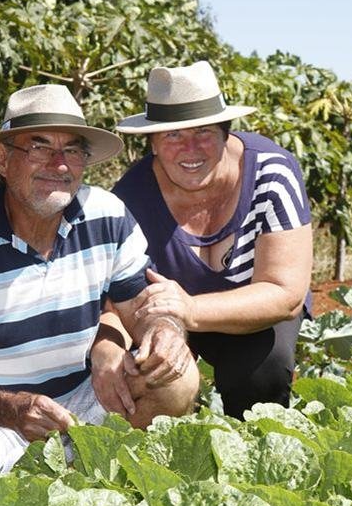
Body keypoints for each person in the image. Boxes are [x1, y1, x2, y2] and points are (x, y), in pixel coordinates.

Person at [0, 84, 199, 476]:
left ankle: (102, 473)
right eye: (40, 147)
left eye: (73, 150)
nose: (59, 164)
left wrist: (163, 330)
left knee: (177, 380)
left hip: (86, 398)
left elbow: (141, 310)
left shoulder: (107, 216)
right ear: (1, 158)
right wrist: (12, 409)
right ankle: (52, 477)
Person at [109, 61, 313, 420]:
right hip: (162, 317)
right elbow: (115, 302)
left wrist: (189, 309)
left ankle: (254, 456)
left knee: (260, 372)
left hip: (252, 313)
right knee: (144, 377)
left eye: (203, 131)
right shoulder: (129, 200)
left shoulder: (271, 173)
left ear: (225, 131)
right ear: (152, 143)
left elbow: (285, 295)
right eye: (173, 135)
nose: (190, 148)